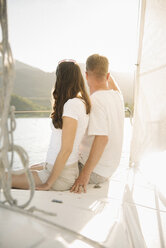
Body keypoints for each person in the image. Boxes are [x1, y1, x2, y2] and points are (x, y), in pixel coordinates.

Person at [9, 60, 91, 191]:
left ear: (61, 79)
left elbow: (66, 150)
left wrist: (48, 183)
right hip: (59, 169)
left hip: (60, 176)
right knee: (23, 170)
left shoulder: (71, 105)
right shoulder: (78, 102)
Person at [71, 54, 124, 193]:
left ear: (86, 75)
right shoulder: (118, 97)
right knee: (44, 167)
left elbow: (102, 138)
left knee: (49, 170)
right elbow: (112, 84)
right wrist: (104, 71)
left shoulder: (95, 101)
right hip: (109, 169)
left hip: (95, 171)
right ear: (107, 76)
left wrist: (85, 174)